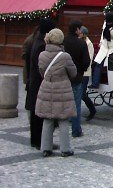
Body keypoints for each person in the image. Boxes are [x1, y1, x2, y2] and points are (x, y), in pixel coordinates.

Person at [35, 28, 77, 157]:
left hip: (46, 87)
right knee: (63, 119)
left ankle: (46, 149)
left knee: (48, 119)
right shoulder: (65, 56)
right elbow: (73, 73)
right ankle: (65, 149)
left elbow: (42, 72)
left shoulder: (42, 55)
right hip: (63, 89)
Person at [26, 18, 56, 149]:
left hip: (34, 82)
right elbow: (42, 68)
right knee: (39, 114)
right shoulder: (41, 45)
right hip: (39, 83)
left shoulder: (36, 41)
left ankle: (35, 140)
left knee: (35, 114)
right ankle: (39, 141)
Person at [63, 20, 90, 138]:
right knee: (76, 105)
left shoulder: (62, 41)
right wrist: (81, 70)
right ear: (77, 30)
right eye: (80, 29)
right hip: (76, 77)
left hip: (62, 77)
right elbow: (86, 62)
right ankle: (76, 130)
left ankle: (60, 127)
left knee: (62, 103)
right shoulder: (81, 44)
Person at [90, 12, 113, 88]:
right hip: (104, 46)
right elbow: (103, 33)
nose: (108, 23)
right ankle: (95, 84)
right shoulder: (106, 22)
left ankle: (111, 83)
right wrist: (101, 42)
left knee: (108, 66)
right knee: (98, 64)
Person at [79, 26, 96, 121]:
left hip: (85, 72)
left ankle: (92, 109)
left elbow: (89, 59)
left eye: (81, 33)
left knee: (82, 94)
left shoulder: (89, 44)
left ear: (84, 34)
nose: (79, 34)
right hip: (79, 71)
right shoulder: (80, 42)